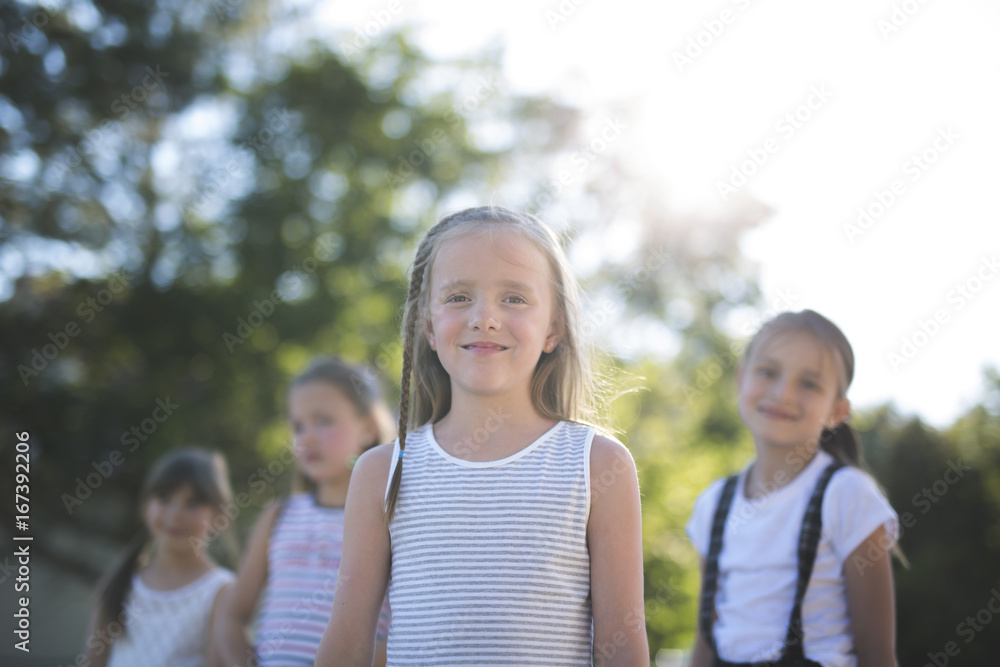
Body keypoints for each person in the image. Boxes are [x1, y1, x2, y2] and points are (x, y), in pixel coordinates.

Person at [316, 205, 648, 666]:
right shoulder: (382, 471)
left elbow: (622, 647)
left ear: (553, 327)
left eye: (514, 298)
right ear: (428, 326)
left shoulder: (598, 465)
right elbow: (347, 644)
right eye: (458, 298)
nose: (485, 317)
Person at [687, 310, 900, 666]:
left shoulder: (847, 496)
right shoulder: (713, 505)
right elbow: (705, 640)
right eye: (768, 372)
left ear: (837, 411)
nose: (783, 393)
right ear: (741, 379)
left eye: (809, 383)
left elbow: (878, 654)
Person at [218, 357, 395, 667]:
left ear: (368, 428)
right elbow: (232, 616)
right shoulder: (278, 515)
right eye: (298, 425)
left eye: (324, 421)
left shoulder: (393, 518)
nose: (307, 438)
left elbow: (406, 631)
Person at [82, 448, 237, 667]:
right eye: (164, 499)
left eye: (192, 503)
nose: (175, 514)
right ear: (145, 507)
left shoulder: (222, 592)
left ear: (219, 515)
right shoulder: (119, 582)